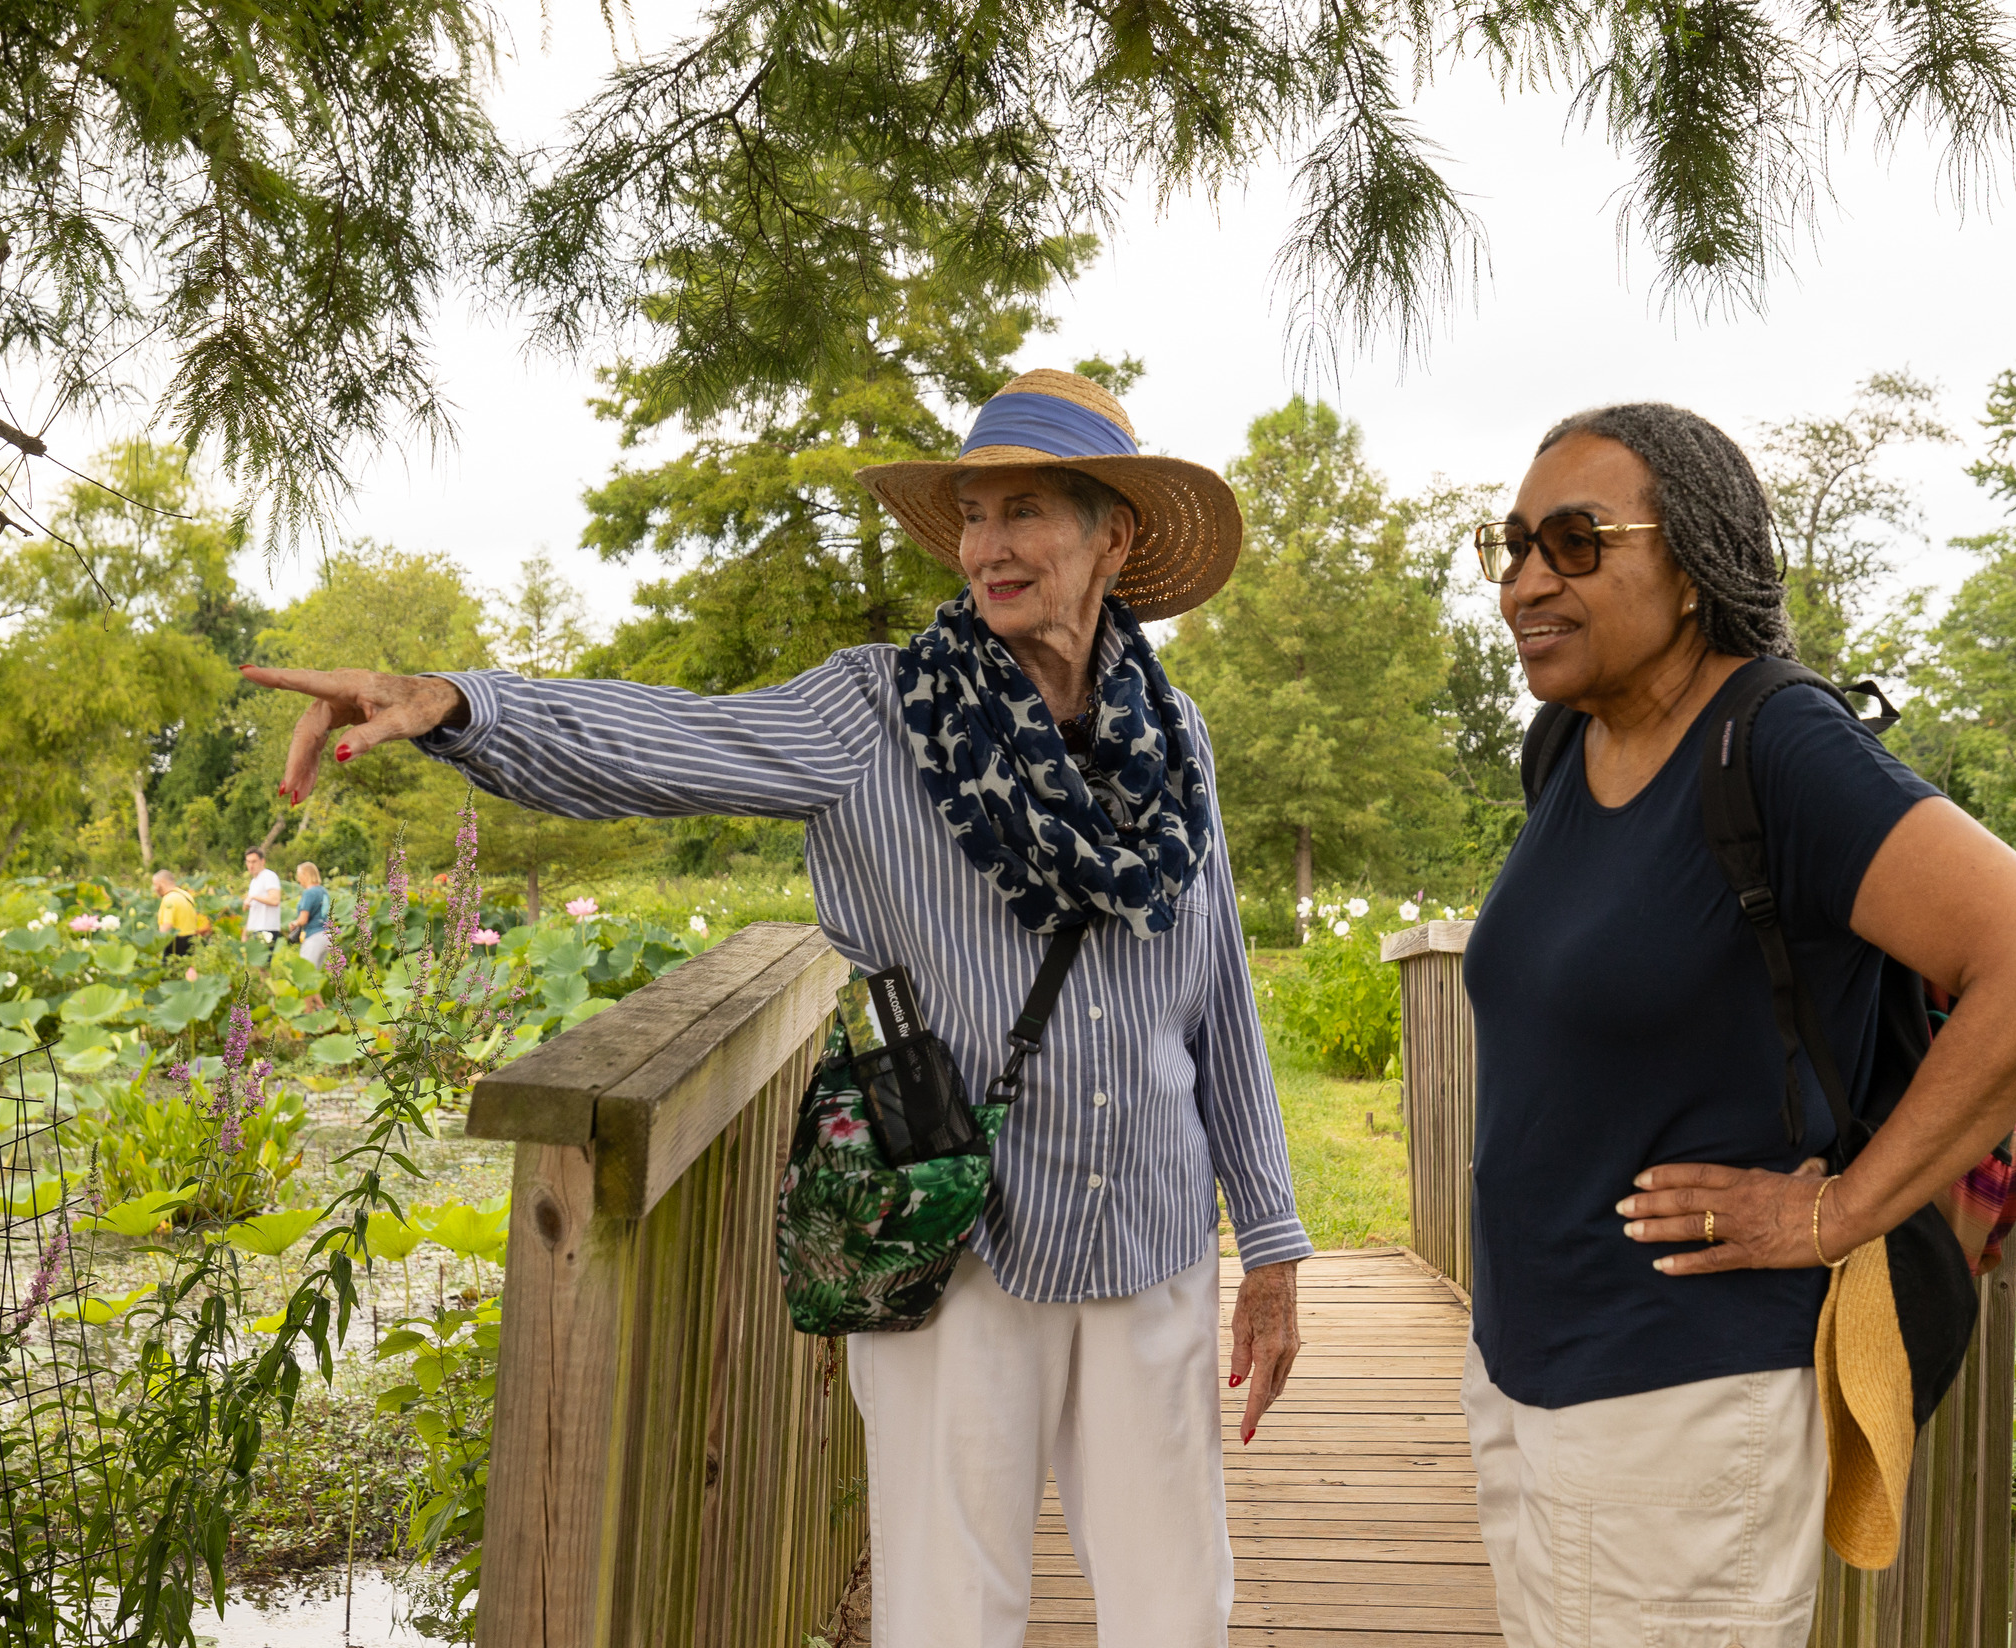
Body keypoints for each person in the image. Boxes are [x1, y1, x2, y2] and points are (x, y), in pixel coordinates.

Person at [243, 369, 1311, 1648]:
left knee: (1176, 1604)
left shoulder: (1175, 740)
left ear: (1113, 537)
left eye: (1024, 511)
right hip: (953, 1235)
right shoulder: (876, 712)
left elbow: (1220, 1002)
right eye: (971, 515)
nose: (986, 546)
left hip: (1149, 1233)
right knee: (949, 1613)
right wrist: (459, 705)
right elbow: (667, 744)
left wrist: (1275, 1242)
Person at [1457, 403, 2016, 1648]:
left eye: (1578, 542)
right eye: (1514, 544)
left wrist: (1838, 1210)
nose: (1526, 582)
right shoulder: (1567, 744)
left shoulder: (1777, 742)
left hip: (1681, 1393)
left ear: (1696, 566)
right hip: (1529, 1368)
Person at [153, 869, 209, 958]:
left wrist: (156, 945)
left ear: (162, 882)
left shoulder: (169, 899)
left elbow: (167, 925)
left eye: (155, 885)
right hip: (191, 940)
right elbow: (194, 918)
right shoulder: (186, 895)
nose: (155, 888)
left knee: (170, 970)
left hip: (176, 943)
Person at [286, 861, 332, 965]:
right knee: (314, 973)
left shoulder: (309, 892)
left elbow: (303, 919)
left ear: (305, 875)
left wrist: (294, 923)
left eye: (299, 876)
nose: (298, 880)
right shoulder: (323, 891)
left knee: (305, 971)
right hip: (327, 935)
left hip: (314, 936)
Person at [241, 847, 283, 954]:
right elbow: (253, 911)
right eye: (248, 862)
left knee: (263, 966)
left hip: (267, 927)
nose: (251, 865)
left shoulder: (268, 876)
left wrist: (254, 897)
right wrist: (245, 932)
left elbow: (275, 900)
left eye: (254, 861)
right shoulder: (254, 881)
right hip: (255, 928)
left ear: (262, 861)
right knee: (255, 966)